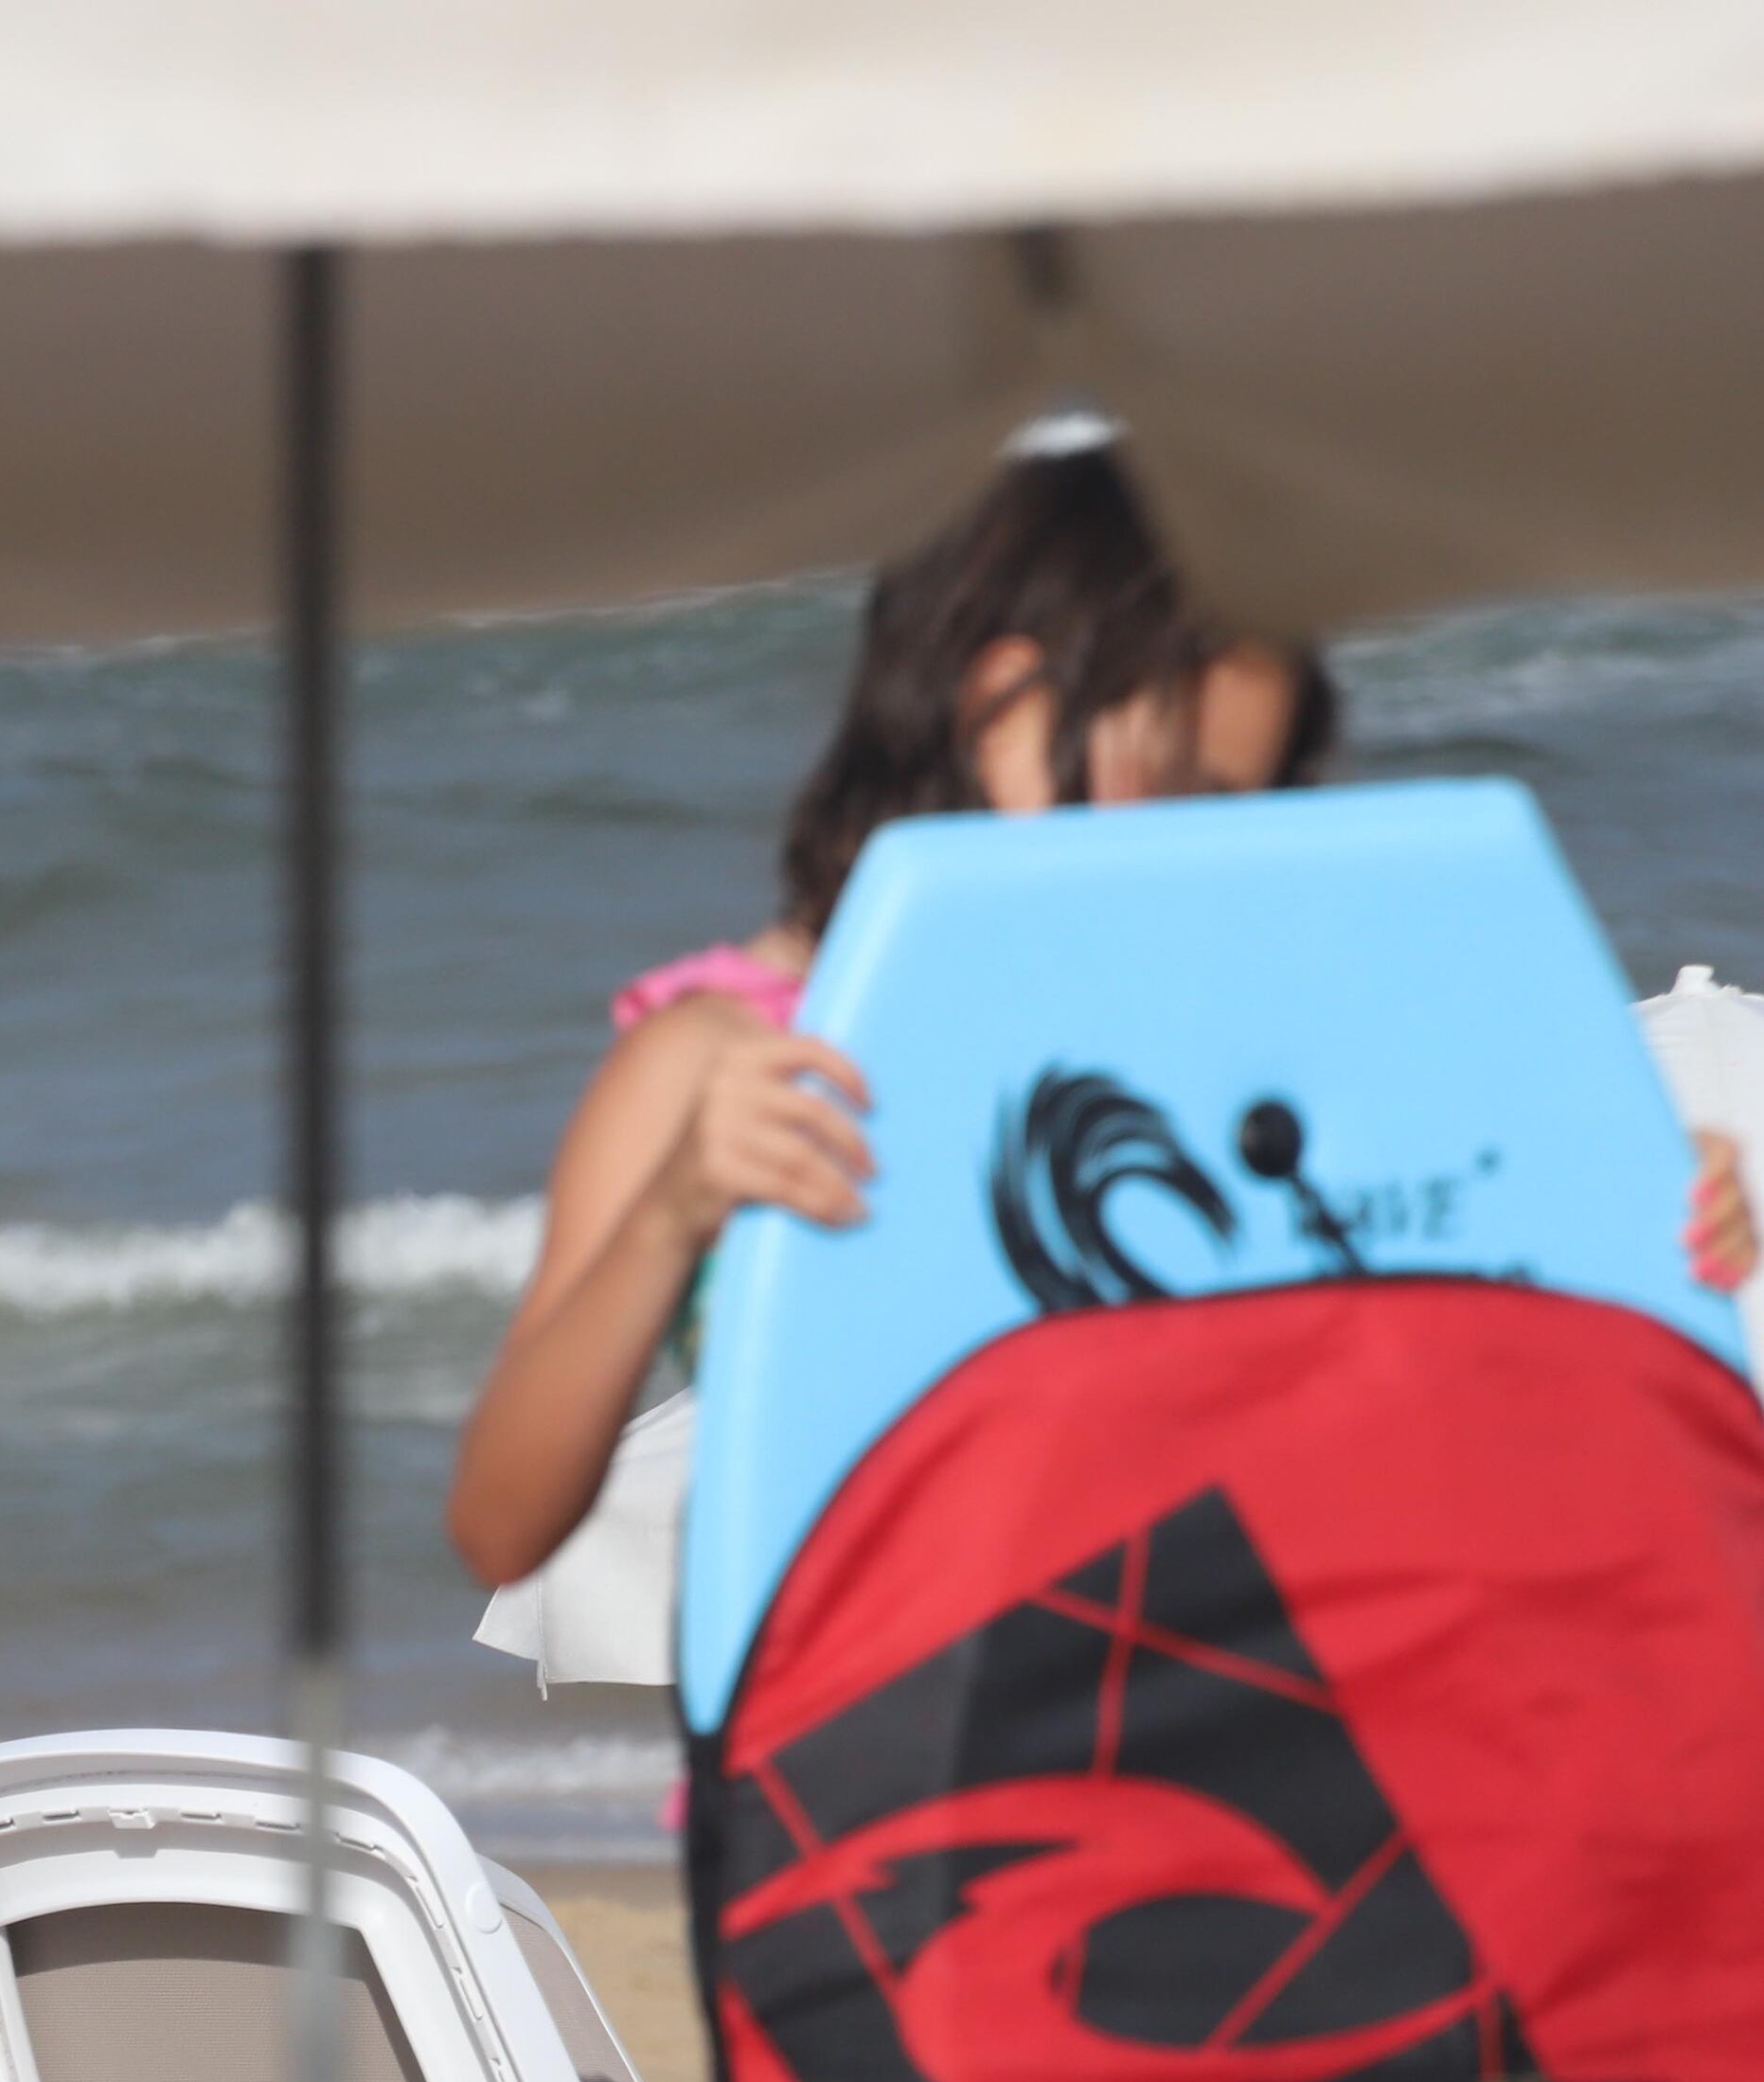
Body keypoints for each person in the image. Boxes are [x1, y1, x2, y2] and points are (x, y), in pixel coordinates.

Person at [444, 438, 1757, 1594]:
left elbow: (1428, 1343)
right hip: (860, 1807)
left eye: (1248, 805)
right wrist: (675, 1208)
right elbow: (503, 1526)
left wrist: (1625, 1227)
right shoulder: (728, 1052)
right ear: (1004, 707)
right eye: (1182, 786)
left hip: (1248, 1772)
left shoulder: (1247, 1059)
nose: (1213, 845)